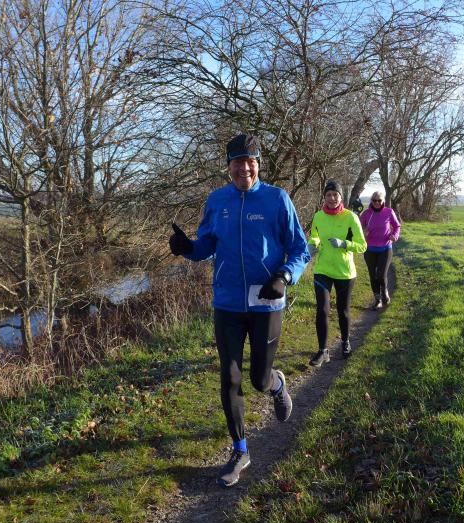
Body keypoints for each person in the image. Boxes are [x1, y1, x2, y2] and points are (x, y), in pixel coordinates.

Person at [168, 133, 310, 488]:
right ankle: (240, 450)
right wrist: (187, 247)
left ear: (258, 164)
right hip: (228, 303)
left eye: (250, 162)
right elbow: (206, 246)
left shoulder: (277, 199)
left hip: (266, 301)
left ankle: (277, 384)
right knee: (230, 377)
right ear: (228, 166)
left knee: (258, 379)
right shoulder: (217, 200)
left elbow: (300, 249)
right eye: (237, 162)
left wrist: (284, 276)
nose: (244, 168)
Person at [307, 181, 367, 366]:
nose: (332, 198)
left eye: (335, 195)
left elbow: (362, 246)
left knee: (343, 310)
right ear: (324, 197)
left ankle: (345, 342)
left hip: (344, 272)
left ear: (341, 197)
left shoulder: (351, 217)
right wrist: (312, 244)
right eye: (328, 195)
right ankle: (322, 351)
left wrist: (344, 244)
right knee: (322, 310)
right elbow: (315, 236)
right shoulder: (318, 216)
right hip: (322, 269)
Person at [359, 190, 400, 309]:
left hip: (385, 248)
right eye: (374, 200)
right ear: (371, 201)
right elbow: (358, 227)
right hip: (370, 249)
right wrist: (363, 232)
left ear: (383, 201)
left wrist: (395, 235)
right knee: (373, 275)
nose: (377, 202)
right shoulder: (366, 213)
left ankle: (384, 291)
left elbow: (397, 226)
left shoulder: (389, 212)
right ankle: (377, 299)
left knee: (381, 275)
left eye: (379, 200)